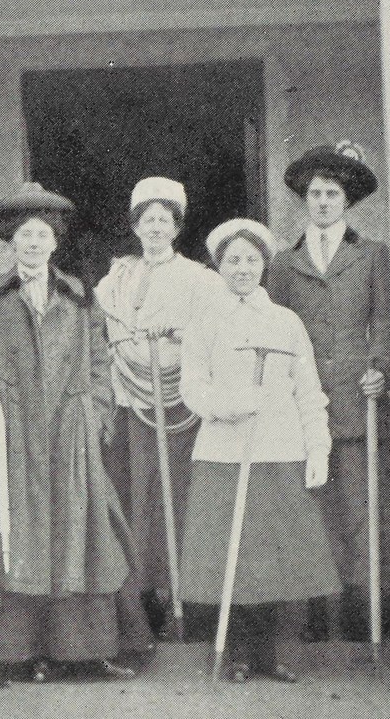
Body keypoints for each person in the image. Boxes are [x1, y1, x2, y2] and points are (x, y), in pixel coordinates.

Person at [0, 182, 143, 683]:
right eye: (24, 235)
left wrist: (95, 414)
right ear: (11, 241)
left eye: (42, 234)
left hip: (70, 431)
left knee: (81, 534)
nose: (33, 243)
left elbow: (100, 360)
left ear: (55, 242)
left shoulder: (80, 296)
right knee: (12, 532)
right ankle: (15, 654)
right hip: (11, 435)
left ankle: (81, 651)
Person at [179, 218, 341, 683]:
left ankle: (273, 653)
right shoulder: (205, 323)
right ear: (219, 266)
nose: (243, 269)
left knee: (276, 557)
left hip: (279, 451)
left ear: (264, 267)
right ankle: (238, 653)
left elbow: (309, 391)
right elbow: (192, 388)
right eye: (234, 260)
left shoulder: (286, 322)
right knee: (231, 555)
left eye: (252, 260)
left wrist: (318, 449)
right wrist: (229, 406)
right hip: (223, 455)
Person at [267, 142, 390, 642]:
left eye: (332, 194)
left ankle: (366, 624)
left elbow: (384, 323)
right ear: (304, 201)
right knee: (310, 516)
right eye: (315, 194)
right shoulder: (283, 263)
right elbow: (276, 330)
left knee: (359, 513)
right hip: (302, 406)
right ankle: (313, 626)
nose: (322, 201)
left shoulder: (371, 257)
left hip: (356, 402)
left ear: (347, 202)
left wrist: (380, 371)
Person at [95, 177, 221, 638]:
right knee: (137, 497)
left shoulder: (201, 279)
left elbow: (215, 335)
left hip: (181, 404)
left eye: (163, 220)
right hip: (131, 401)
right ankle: (142, 598)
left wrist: (180, 334)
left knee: (182, 498)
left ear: (176, 227)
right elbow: (103, 332)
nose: (155, 228)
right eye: (147, 220)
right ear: (135, 226)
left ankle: (184, 599)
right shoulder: (115, 280)